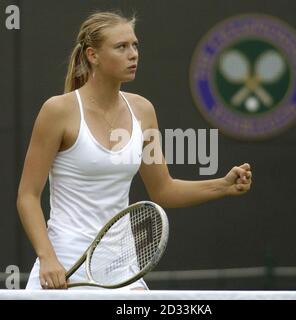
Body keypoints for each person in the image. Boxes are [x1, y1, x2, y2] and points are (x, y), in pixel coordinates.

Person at [16, 11, 252, 290]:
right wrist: (48, 258)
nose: (133, 54)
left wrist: (222, 186)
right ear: (93, 55)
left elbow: (164, 189)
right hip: (64, 264)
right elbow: (28, 196)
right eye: (121, 47)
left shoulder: (143, 110)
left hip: (122, 267)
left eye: (135, 45)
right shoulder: (58, 111)